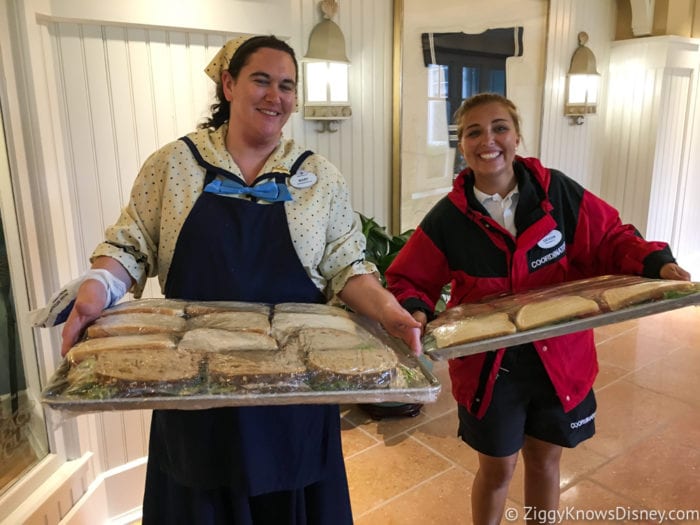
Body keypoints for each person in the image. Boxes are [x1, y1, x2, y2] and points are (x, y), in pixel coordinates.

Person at [59, 35, 421, 524]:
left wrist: (387, 310)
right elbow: (130, 244)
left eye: (287, 86)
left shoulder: (318, 176)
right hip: (193, 391)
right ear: (229, 84)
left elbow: (347, 268)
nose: (276, 96)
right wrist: (98, 288)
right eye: (262, 80)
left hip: (293, 393)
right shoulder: (174, 165)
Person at [385, 92, 691, 524]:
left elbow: (609, 238)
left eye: (499, 128)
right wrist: (414, 310)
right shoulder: (448, 218)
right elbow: (408, 278)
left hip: (559, 359)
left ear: (517, 135)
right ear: (461, 146)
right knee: (497, 470)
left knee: (546, 461)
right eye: (474, 132)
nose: (487, 139)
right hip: (491, 371)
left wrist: (657, 262)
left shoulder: (557, 193)